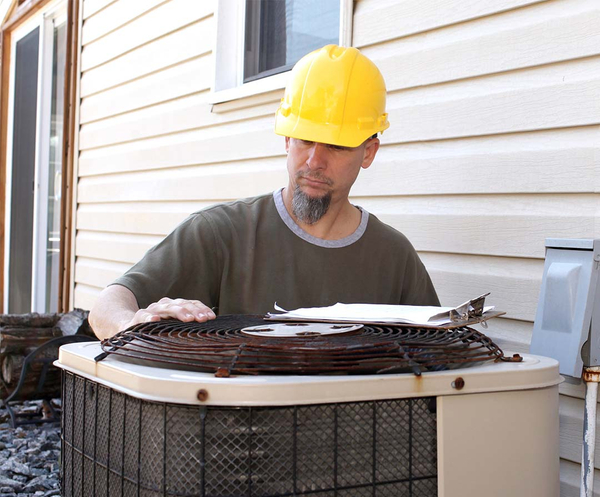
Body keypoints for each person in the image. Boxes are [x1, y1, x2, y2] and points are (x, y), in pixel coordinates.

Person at [89, 45, 439, 340]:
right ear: (287, 139)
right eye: (304, 139)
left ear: (368, 152)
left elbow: (440, 353)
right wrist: (132, 323)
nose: (314, 161)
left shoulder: (394, 258)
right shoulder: (221, 233)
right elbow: (106, 308)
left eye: (336, 145)